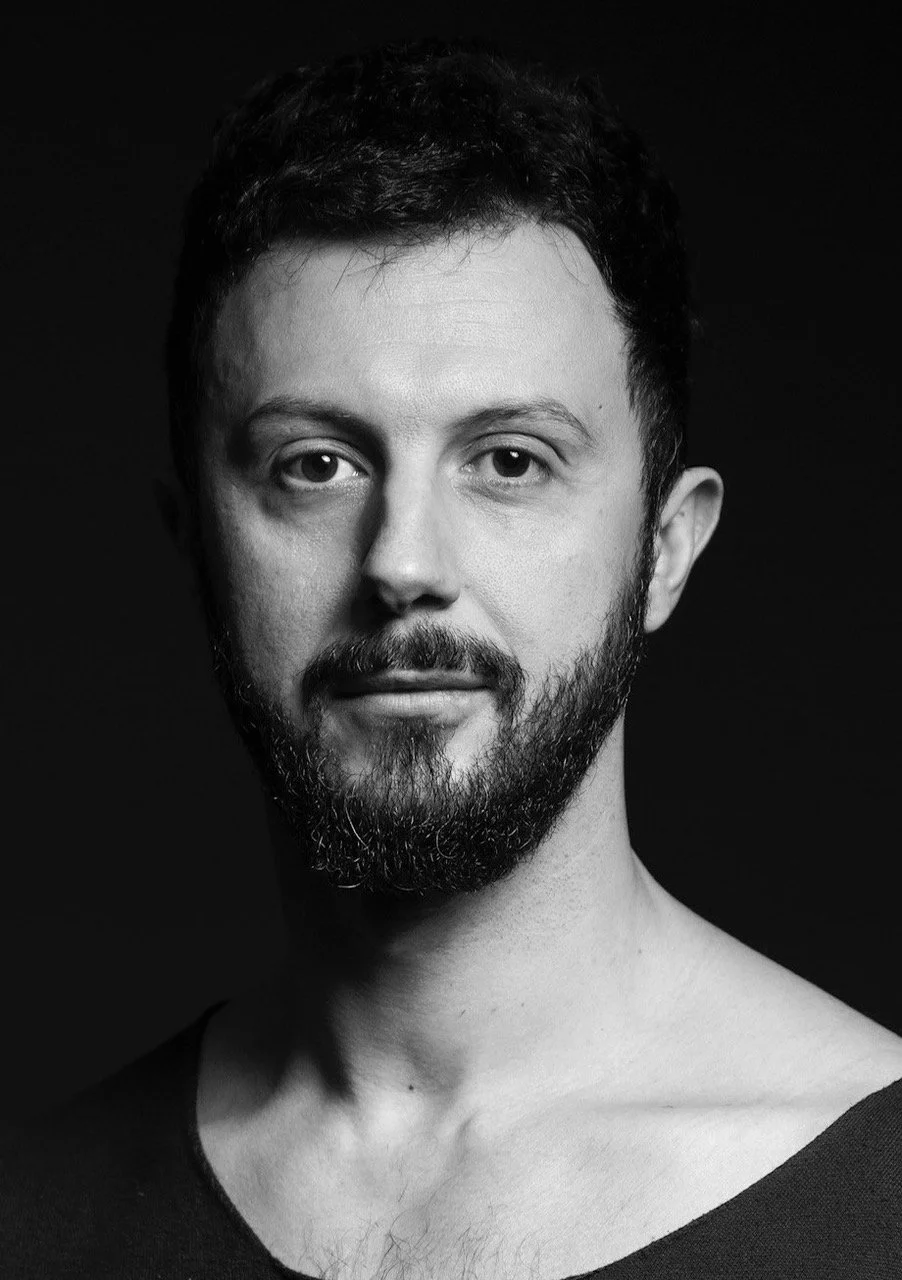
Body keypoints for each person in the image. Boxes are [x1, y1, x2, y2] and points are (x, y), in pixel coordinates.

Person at [2, 35, 900, 1280]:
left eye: (510, 460)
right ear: (193, 541)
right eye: (315, 464)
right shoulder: (32, 1217)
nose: (402, 561)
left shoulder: (878, 1200)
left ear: (664, 547)